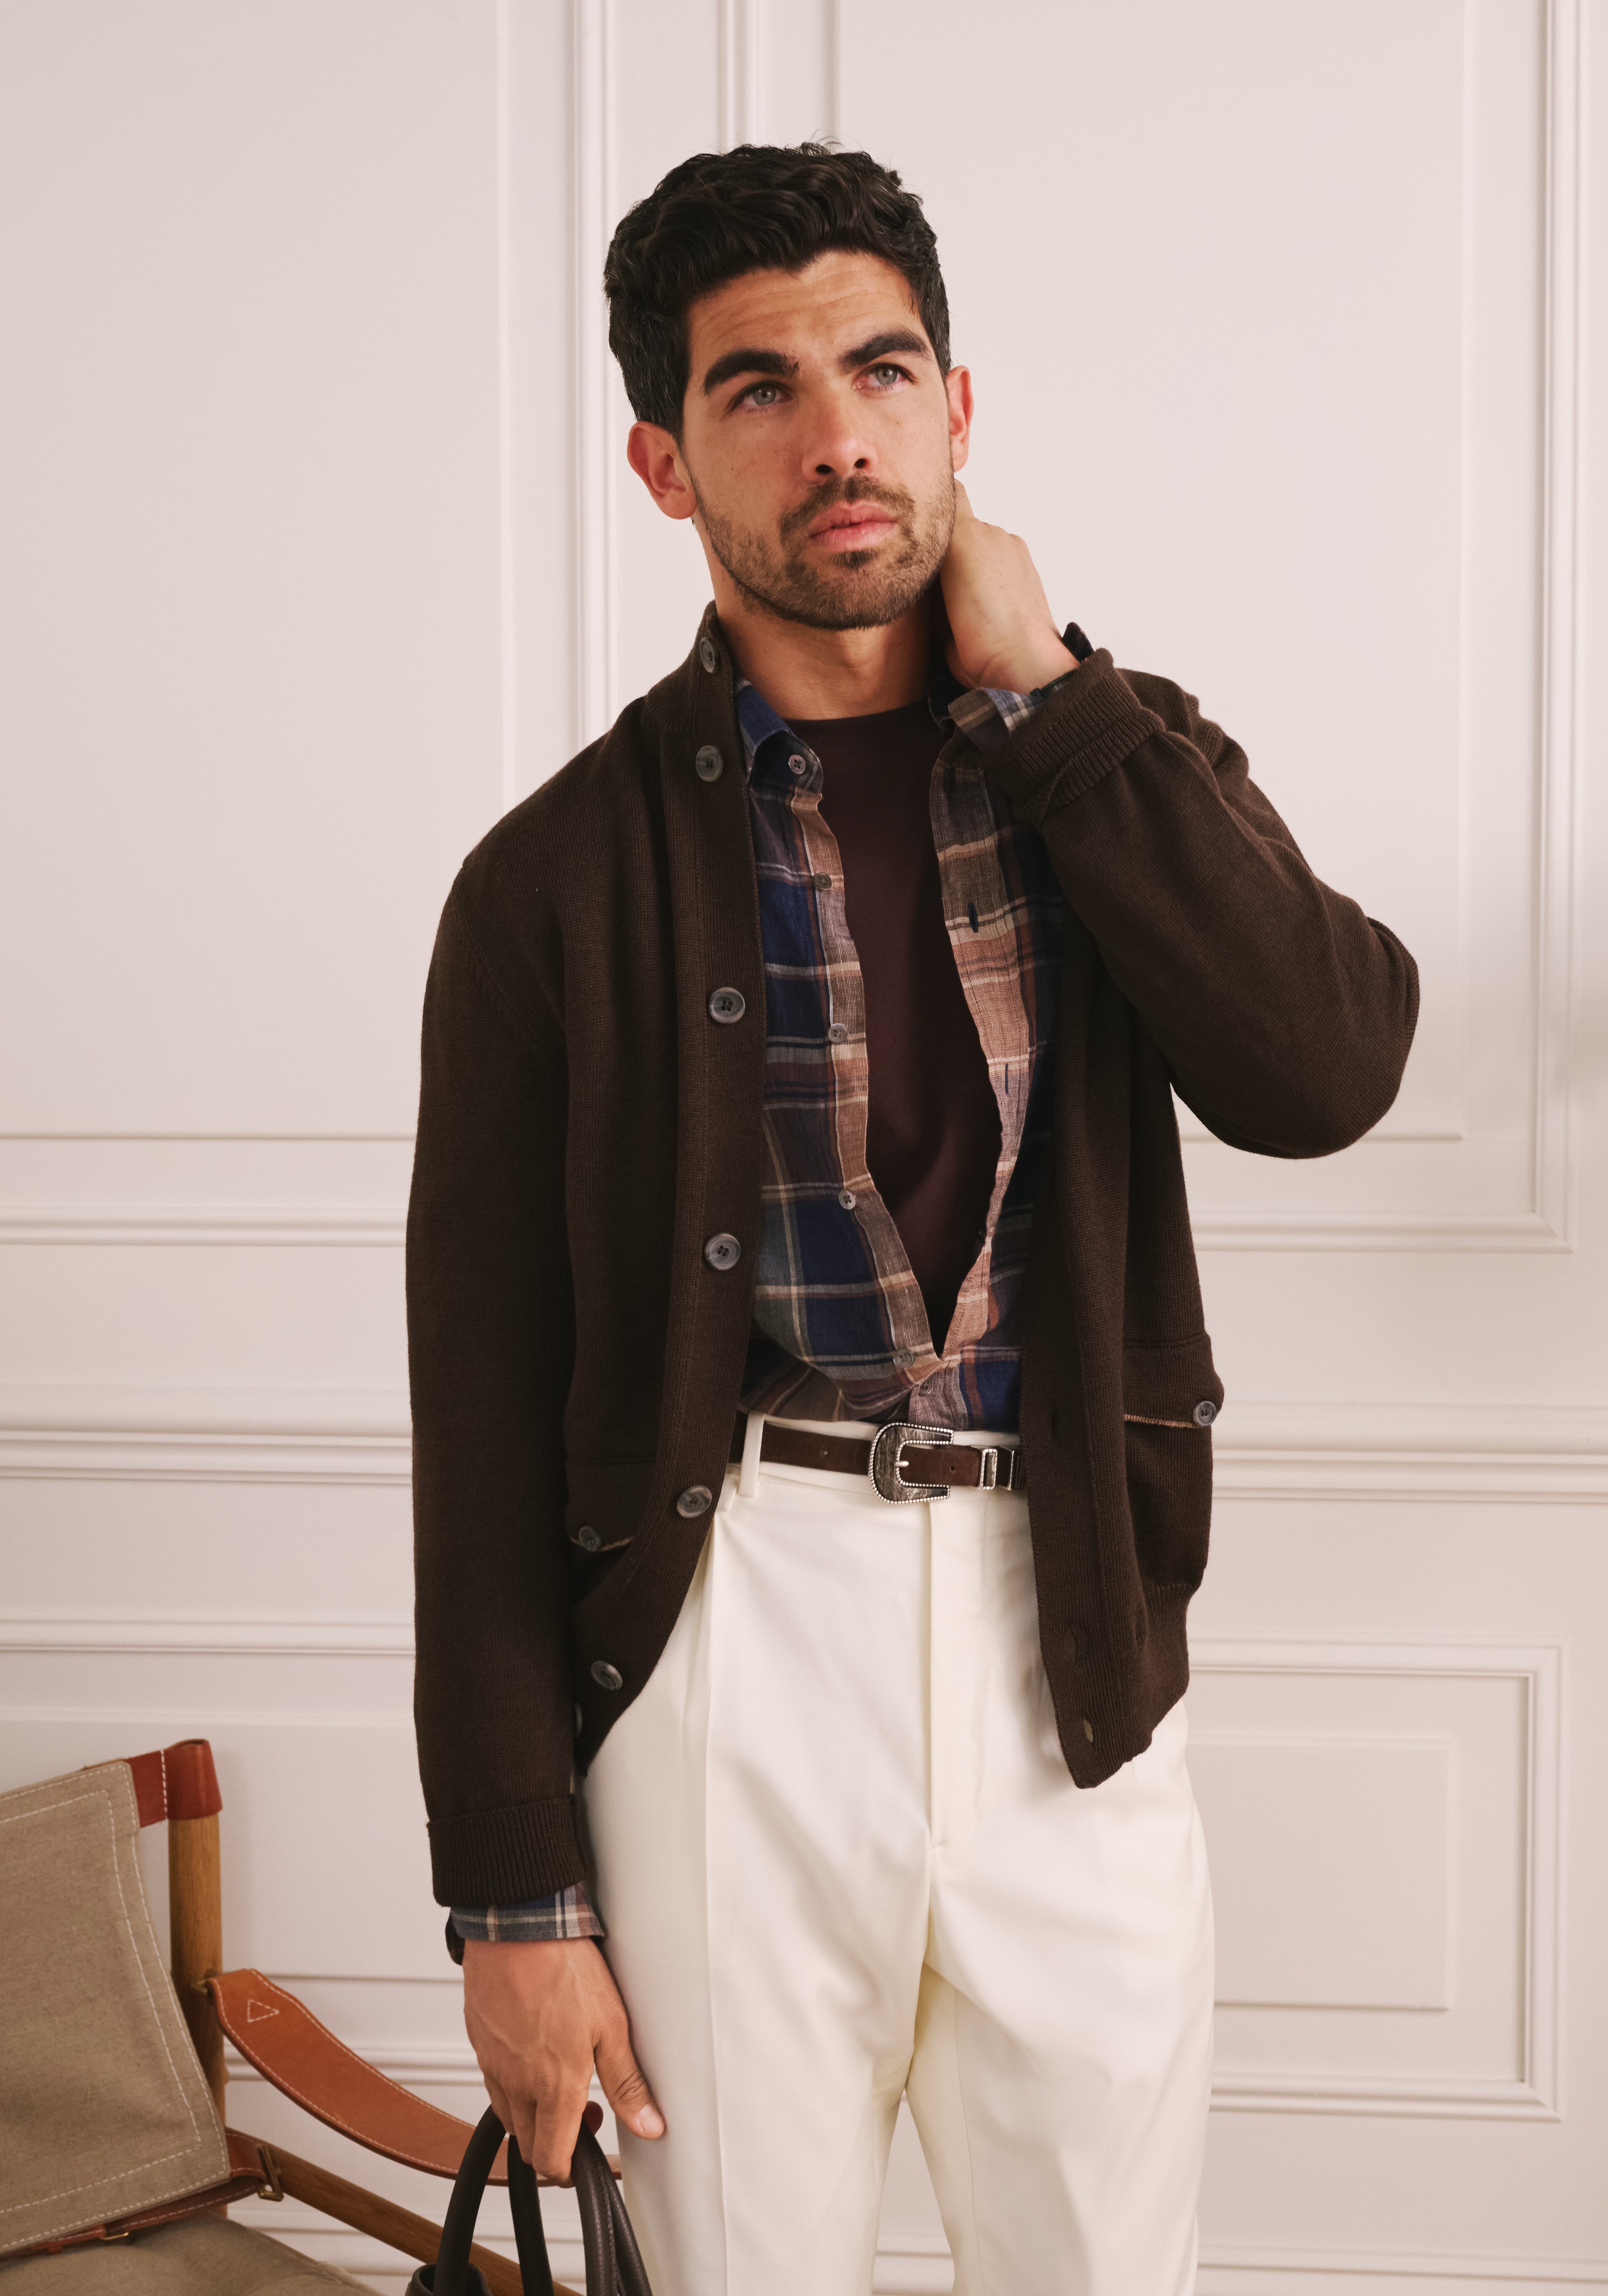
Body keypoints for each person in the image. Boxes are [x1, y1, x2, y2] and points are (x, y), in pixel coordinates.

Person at [408, 141, 1418, 2296]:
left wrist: (1049, 693)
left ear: (959, 409)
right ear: (665, 463)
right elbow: (477, 1418)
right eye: (758, 387)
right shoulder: (550, 881)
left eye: (881, 365)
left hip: (1070, 1642)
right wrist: (510, 1904)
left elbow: (1324, 1072)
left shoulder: (1104, 762)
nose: (835, 427)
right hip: (725, 1648)